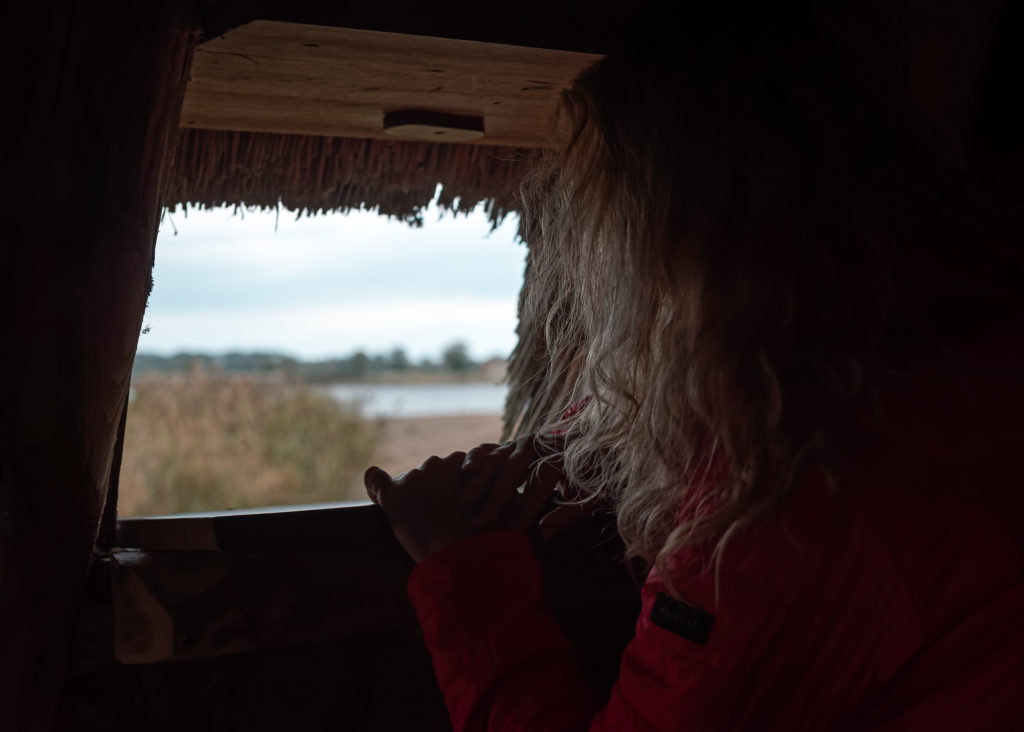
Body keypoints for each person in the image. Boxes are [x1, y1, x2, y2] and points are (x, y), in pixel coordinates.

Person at [364, 6, 1024, 730]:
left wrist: (461, 571)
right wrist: (587, 440)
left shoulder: (785, 509)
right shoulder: (950, 359)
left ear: (674, 257)